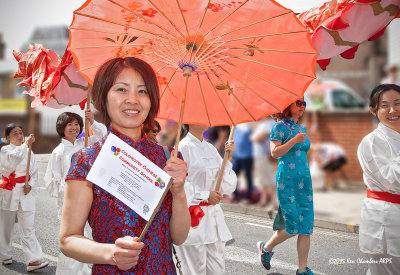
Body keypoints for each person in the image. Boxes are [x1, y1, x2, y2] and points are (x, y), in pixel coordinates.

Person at [59, 57, 191, 274]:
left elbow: (179, 236)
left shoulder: (168, 157)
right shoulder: (87, 159)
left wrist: (179, 193)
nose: (133, 99)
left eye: (143, 91)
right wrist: (110, 253)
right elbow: (67, 239)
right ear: (104, 96)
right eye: (121, 89)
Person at [44, 110, 106, 275]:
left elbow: (104, 137)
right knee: (74, 237)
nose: (74, 127)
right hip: (69, 202)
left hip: (89, 198)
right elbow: (51, 181)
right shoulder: (58, 152)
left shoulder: (85, 143)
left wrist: (92, 121)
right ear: (61, 128)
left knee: (85, 237)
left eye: (77, 124)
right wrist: (67, 195)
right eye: (69, 124)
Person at [257, 99, 314, 275]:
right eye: (298, 103)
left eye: (304, 103)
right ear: (287, 105)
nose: (302, 106)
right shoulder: (279, 126)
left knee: (306, 226)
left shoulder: (301, 128)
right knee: (293, 225)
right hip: (287, 181)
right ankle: (266, 248)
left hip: (304, 182)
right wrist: (294, 140)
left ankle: (302, 270)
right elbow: (275, 153)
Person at [174, 124, 237, 275]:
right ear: (188, 120)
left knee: (217, 270)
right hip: (193, 219)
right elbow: (178, 183)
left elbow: (228, 185)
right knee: (193, 270)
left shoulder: (211, 149)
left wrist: (228, 158)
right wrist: (204, 195)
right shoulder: (182, 147)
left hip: (214, 220)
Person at [357, 84, 400, 275]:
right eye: (385, 105)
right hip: (386, 222)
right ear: (373, 111)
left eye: (398, 103)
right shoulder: (372, 142)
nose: (393, 110)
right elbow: (392, 181)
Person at [0, 124, 49, 272]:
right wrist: (25, 146)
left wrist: (31, 185)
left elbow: (34, 172)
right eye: (15, 133)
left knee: (28, 227)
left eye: (21, 132)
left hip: (25, 193)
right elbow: (10, 164)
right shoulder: (5, 150)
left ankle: (33, 260)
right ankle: (5, 255)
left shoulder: (29, 152)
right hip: (9, 192)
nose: (19, 135)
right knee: (6, 227)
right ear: (8, 137)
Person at [250, 117, 277, 211]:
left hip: (266, 154)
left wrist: (254, 137)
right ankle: (263, 200)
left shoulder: (271, 123)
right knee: (262, 178)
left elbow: (259, 138)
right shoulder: (261, 123)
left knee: (270, 178)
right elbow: (254, 136)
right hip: (258, 154)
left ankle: (274, 202)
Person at [231, 122, 253, 202]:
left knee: (248, 176)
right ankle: (235, 194)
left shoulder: (251, 125)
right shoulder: (236, 126)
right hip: (237, 155)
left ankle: (248, 196)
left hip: (248, 155)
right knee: (233, 175)